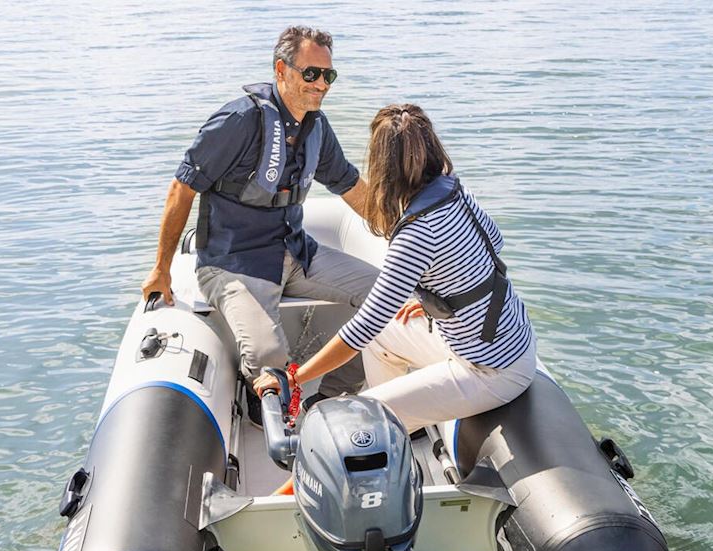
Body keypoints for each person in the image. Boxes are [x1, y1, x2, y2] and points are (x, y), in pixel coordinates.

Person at [256, 104, 538, 490]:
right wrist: (430, 299)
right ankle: (396, 432)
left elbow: (362, 328)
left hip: (488, 370)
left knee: (350, 420)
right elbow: (491, 245)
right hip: (505, 340)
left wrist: (294, 377)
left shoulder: (416, 233)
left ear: (382, 164)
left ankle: (288, 492)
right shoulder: (454, 190)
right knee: (386, 338)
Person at [141, 26, 378, 402]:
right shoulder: (238, 121)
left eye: (328, 75)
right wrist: (161, 268)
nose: (321, 84)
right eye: (311, 73)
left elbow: (350, 186)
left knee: (383, 294)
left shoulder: (317, 127)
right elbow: (182, 188)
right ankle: (267, 414)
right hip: (234, 262)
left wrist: (405, 233)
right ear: (282, 70)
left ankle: (334, 398)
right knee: (269, 357)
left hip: (298, 253)